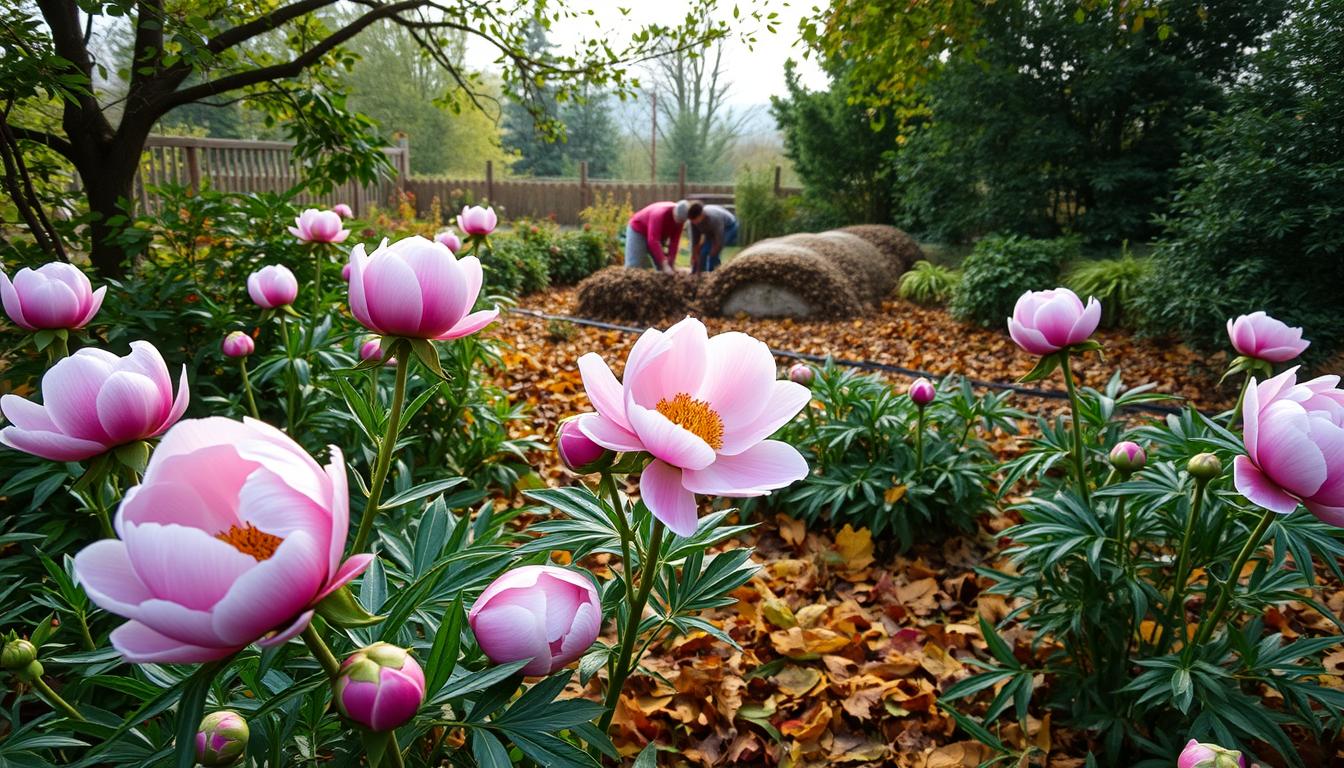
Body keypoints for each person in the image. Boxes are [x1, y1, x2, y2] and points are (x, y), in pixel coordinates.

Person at [625, 200, 701, 273]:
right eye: (677, 220)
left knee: (663, 270)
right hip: (638, 230)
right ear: (674, 212)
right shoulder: (659, 213)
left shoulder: (680, 221)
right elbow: (653, 240)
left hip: (656, 236)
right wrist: (664, 263)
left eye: (681, 222)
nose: (678, 223)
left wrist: (670, 262)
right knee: (634, 266)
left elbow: (674, 242)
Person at [689, 203, 737, 273]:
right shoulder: (693, 221)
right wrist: (694, 255)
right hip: (711, 230)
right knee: (703, 252)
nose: (694, 223)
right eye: (692, 221)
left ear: (701, 215)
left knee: (713, 254)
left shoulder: (714, 218)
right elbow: (695, 240)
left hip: (728, 227)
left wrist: (713, 252)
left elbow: (719, 241)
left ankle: (715, 274)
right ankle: (698, 274)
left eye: (695, 220)